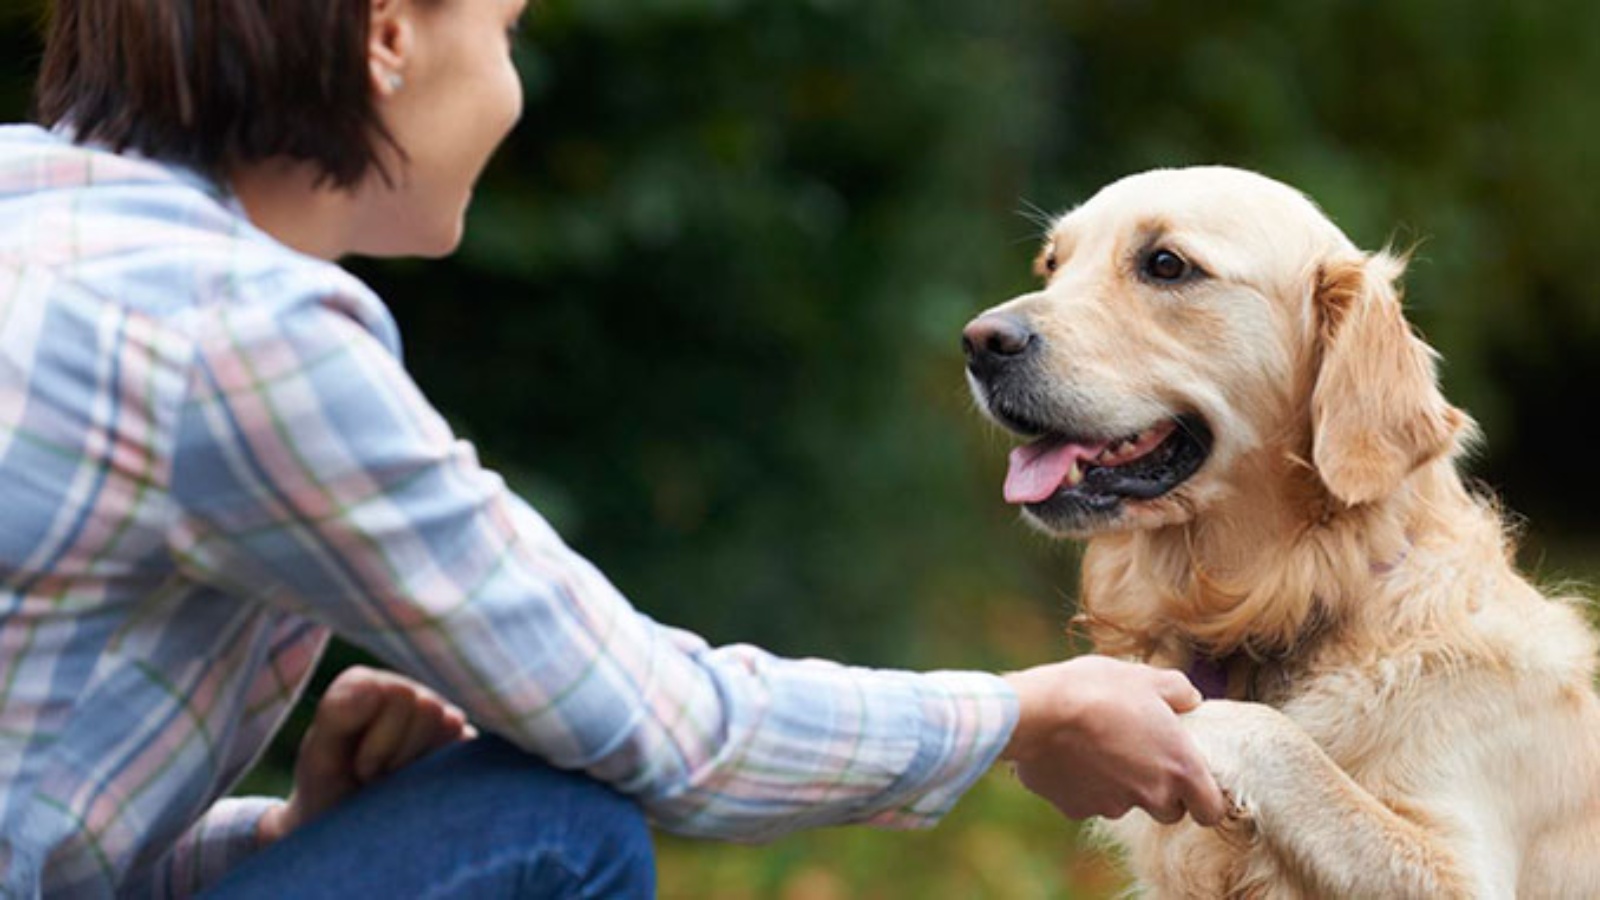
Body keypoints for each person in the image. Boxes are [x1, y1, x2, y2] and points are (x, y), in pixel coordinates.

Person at [0, 0, 1228, 896]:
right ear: (387, 37)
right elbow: (664, 728)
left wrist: (283, 843)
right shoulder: (245, 336)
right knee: (549, 823)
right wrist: (1022, 713)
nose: (512, 88)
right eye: (507, 33)